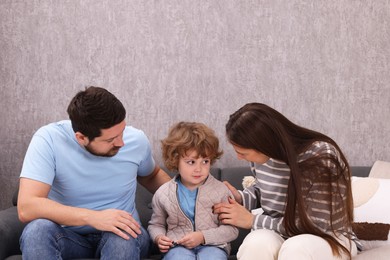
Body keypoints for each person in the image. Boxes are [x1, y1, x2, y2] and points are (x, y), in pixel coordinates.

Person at [17, 86, 171, 260]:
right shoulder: (49, 139)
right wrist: (94, 218)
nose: (121, 143)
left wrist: (193, 198)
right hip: (69, 238)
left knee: (122, 236)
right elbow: (27, 207)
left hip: (125, 236)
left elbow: (151, 175)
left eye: (121, 132)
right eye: (111, 139)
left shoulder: (136, 140)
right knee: (37, 231)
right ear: (81, 138)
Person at [213, 103, 360, 260]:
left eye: (242, 153)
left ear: (263, 145)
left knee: (296, 249)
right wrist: (241, 199)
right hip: (280, 233)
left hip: (329, 237)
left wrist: (252, 220)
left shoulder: (321, 156)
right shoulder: (263, 158)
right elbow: (265, 189)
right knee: (256, 244)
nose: (239, 158)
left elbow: (317, 225)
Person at [148, 122, 239, 260]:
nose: (199, 169)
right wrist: (158, 237)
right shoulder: (163, 193)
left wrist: (203, 237)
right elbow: (156, 224)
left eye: (205, 161)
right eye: (191, 162)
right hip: (177, 246)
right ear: (175, 159)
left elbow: (232, 230)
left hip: (214, 246)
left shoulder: (221, 191)